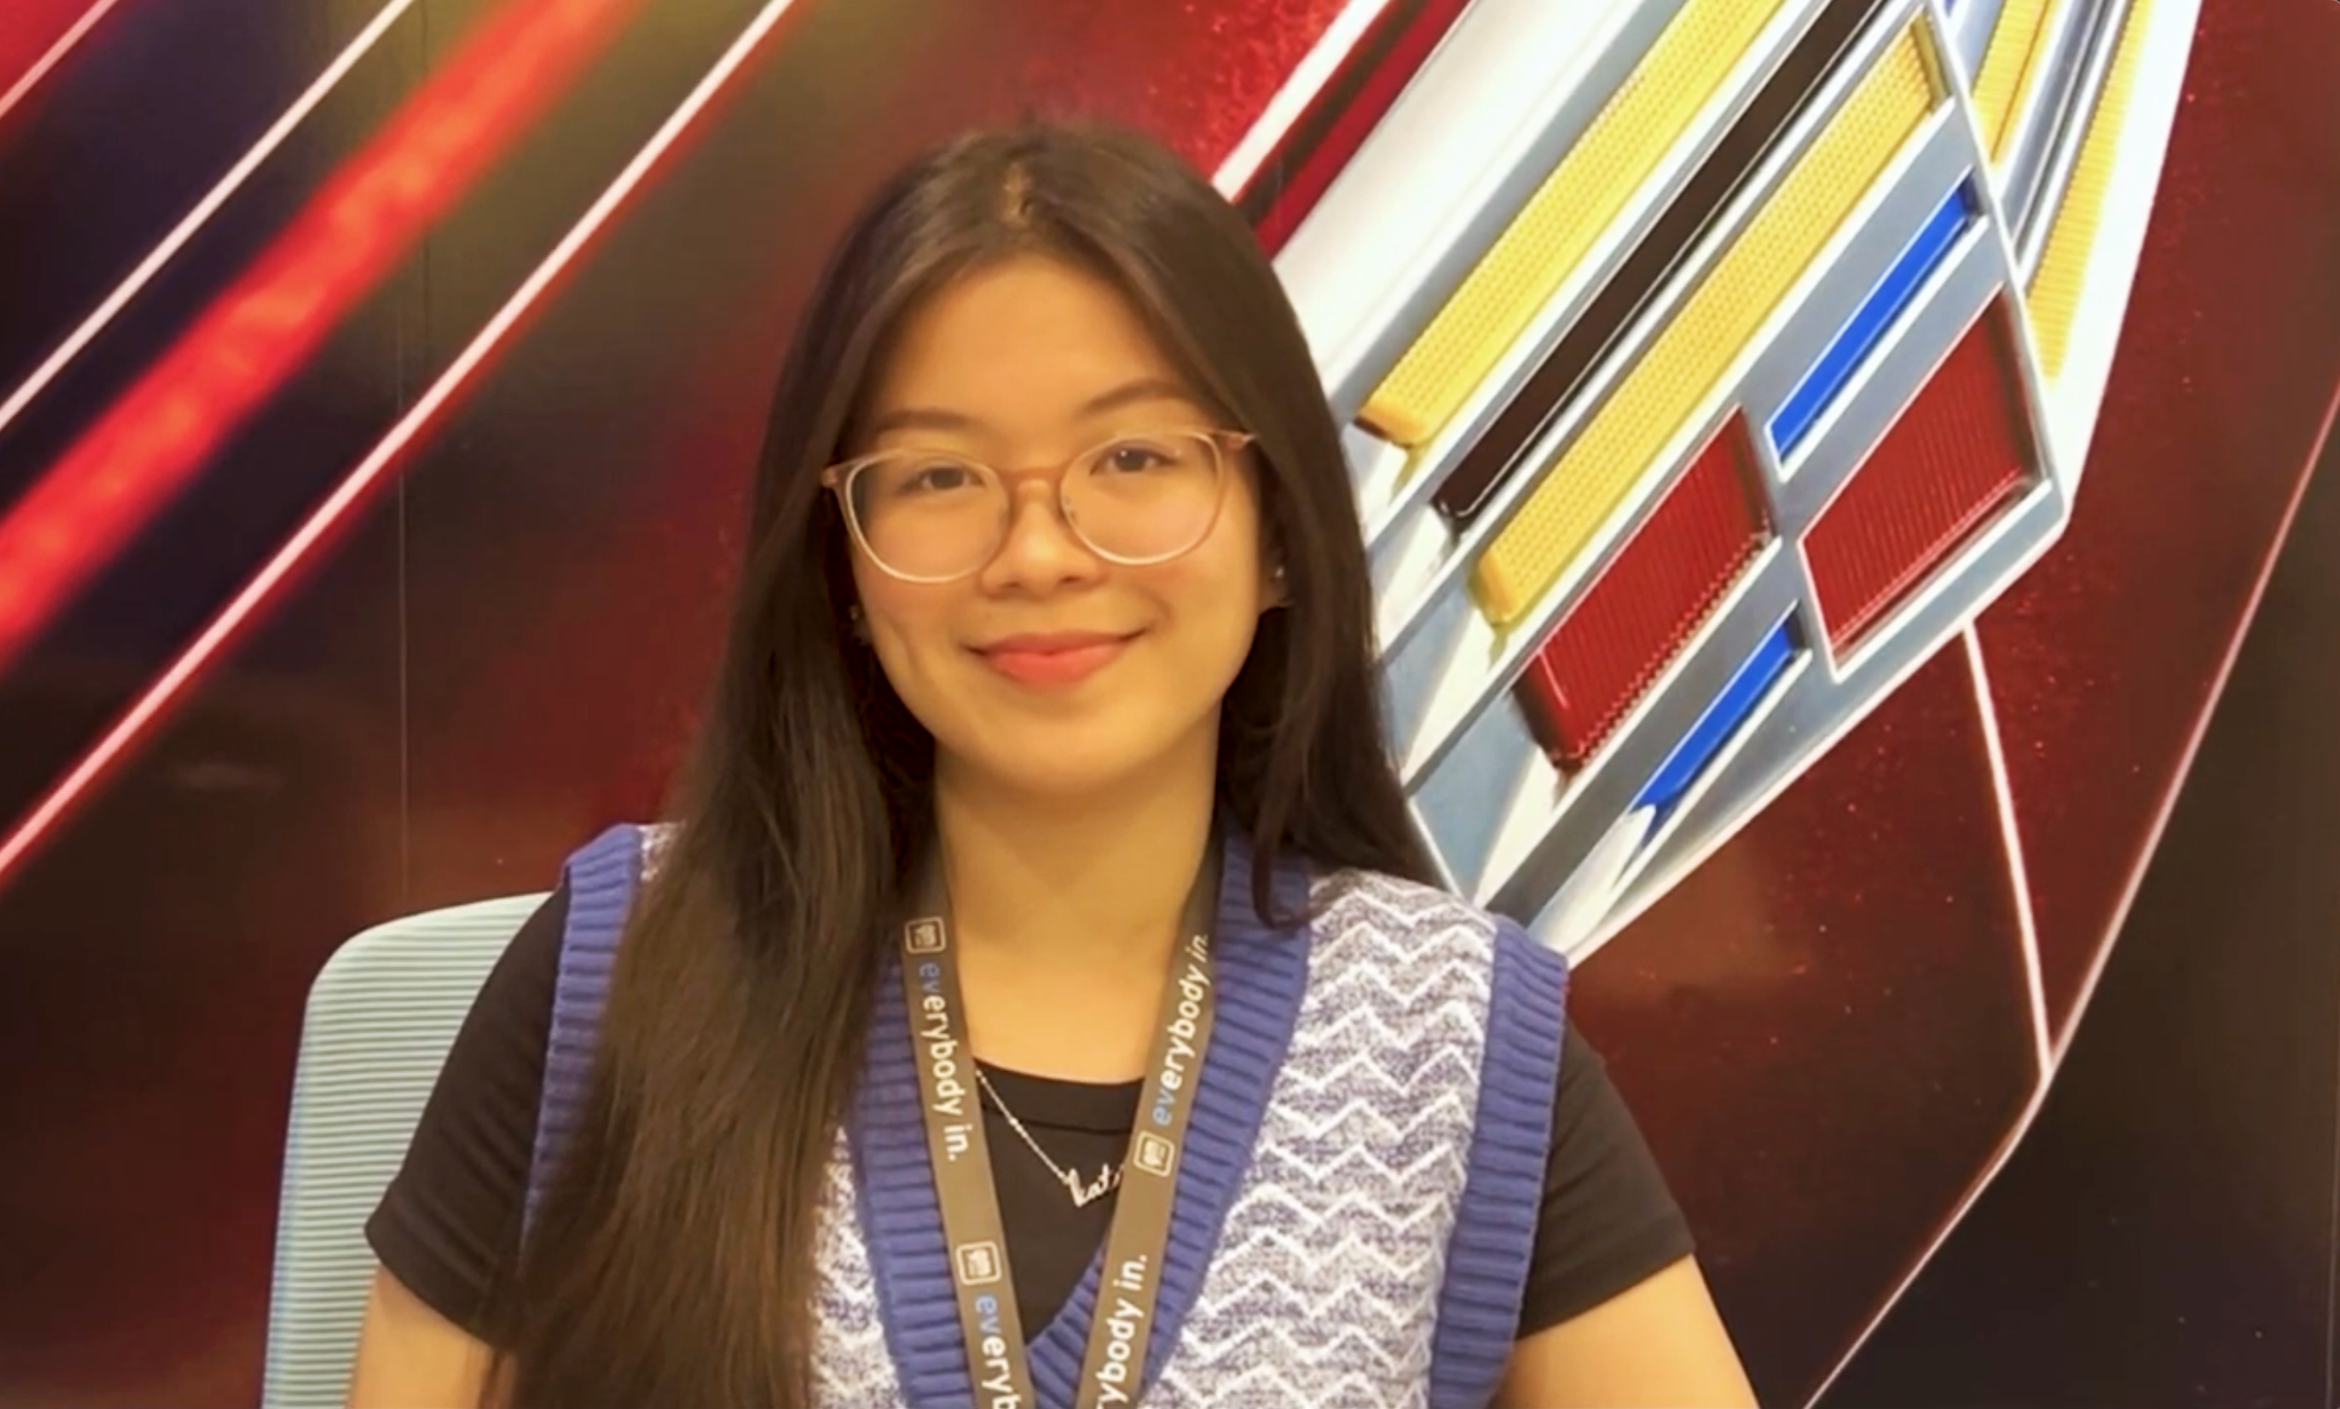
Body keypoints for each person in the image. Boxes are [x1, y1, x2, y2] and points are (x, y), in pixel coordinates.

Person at [347, 121, 1758, 1409]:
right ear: (844, 567)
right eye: (938, 477)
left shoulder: (1449, 1040)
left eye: (1134, 459)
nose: (1037, 552)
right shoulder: (624, 974)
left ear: (1277, 532)